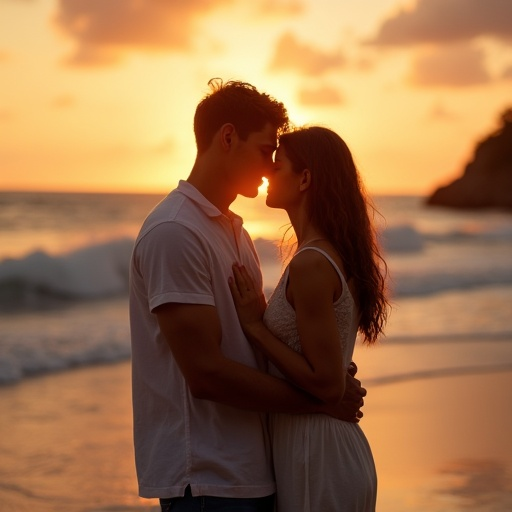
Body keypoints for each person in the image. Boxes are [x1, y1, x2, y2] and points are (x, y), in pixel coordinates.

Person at [129, 79, 366, 512]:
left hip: (254, 470)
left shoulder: (234, 233)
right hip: (204, 478)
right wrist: (320, 399)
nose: (270, 164)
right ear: (227, 137)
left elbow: (254, 347)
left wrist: (325, 374)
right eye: (264, 150)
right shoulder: (175, 232)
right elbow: (206, 375)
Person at [229, 126, 389, 512]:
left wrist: (254, 327)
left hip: (320, 455)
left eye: (278, 164)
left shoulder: (313, 264)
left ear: (304, 178)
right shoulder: (326, 255)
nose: (267, 173)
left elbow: (328, 384)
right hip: (319, 448)